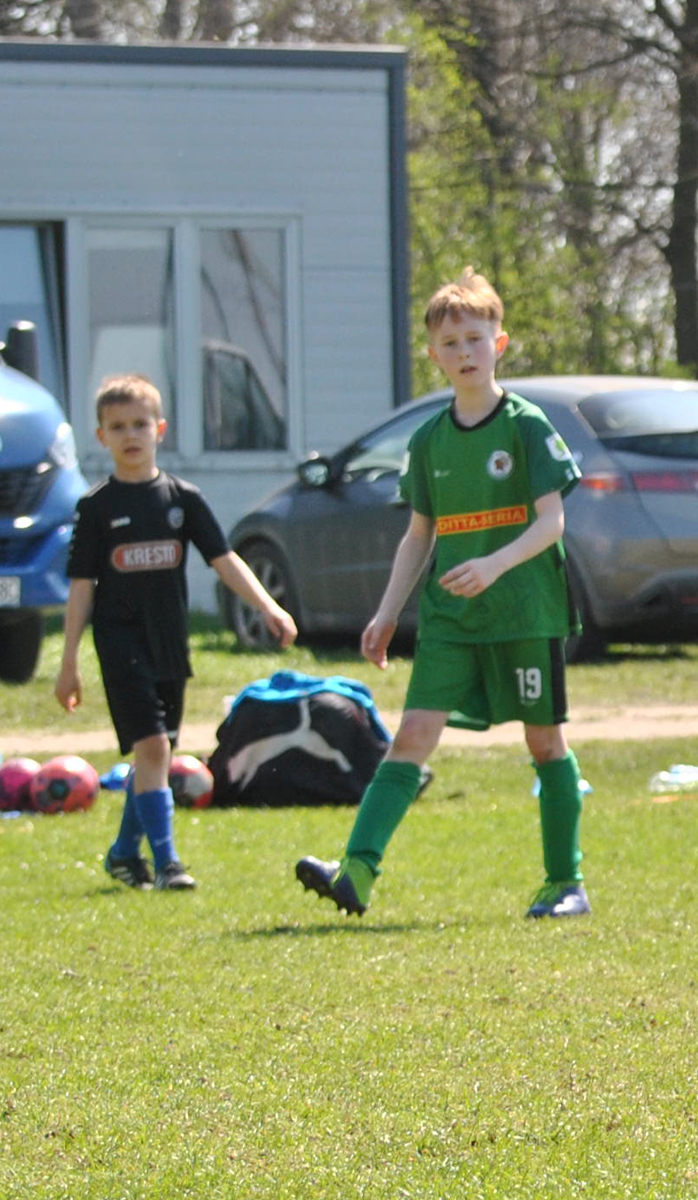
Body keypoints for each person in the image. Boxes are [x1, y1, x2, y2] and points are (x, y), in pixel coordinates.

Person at [296, 267, 591, 920]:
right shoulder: (428, 440)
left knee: (544, 744)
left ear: (500, 344)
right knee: (411, 738)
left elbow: (552, 523)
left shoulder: (526, 425)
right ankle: (357, 873)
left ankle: (565, 883)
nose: (464, 353)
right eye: (451, 343)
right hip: (451, 618)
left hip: (525, 611)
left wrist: (494, 565)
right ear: (434, 356)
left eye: (475, 339)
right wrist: (385, 610)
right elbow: (417, 536)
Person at [56, 374, 297, 891]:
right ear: (101, 436)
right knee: (154, 750)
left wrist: (270, 608)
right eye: (117, 426)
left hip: (170, 641)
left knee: (156, 753)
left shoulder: (182, 499)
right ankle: (168, 864)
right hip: (120, 641)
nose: (130, 435)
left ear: (159, 429)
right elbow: (81, 586)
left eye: (140, 423)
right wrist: (69, 660)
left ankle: (124, 853)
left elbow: (225, 560)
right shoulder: (95, 509)